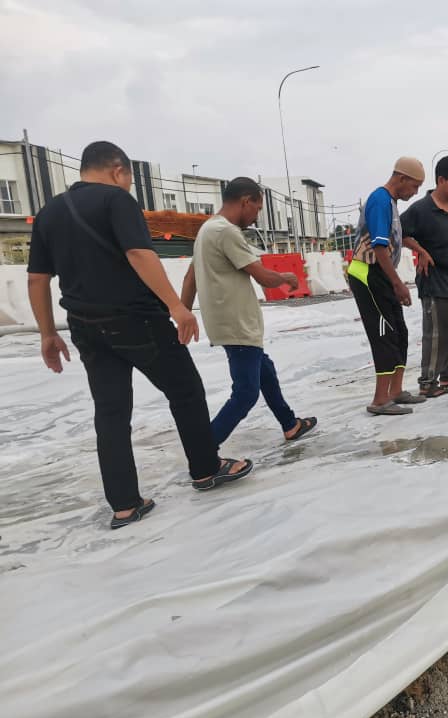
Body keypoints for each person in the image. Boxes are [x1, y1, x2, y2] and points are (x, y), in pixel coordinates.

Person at [25, 141, 253, 530]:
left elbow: (37, 278)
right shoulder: (116, 201)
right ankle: (205, 469)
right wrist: (176, 307)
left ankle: (125, 505)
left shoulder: (49, 213)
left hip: (84, 326)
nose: (128, 186)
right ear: (118, 171)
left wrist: (47, 333)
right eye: (128, 179)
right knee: (185, 390)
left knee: (111, 413)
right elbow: (139, 254)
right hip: (136, 320)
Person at [181, 177, 317, 447]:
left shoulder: (207, 230)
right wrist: (287, 277)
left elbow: (189, 279)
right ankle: (204, 452)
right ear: (246, 201)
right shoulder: (226, 231)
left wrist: (183, 313)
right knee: (245, 393)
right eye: (257, 209)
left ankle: (290, 424)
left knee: (265, 370)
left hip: (227, 323)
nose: (255, 218)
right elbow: (263, 277)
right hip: (237, 325)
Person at [348, 157, 425, 415]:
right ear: (401, 179)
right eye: (414, 187)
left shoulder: (390, 203)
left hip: (381, 274)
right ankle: (380, 400)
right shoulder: (380, 200)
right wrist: (397, 283)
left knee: (399, 332)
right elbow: (379, 247)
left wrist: (417, 248)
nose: (414, 193)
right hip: (368, 274)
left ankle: (396, 391)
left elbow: (394, 239)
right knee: (384, 334)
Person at [401, 155, 448, 398]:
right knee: (437, 333)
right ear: (441, 180)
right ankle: (428, 382)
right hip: (435, 280)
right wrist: (419, 250)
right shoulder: (421, 209)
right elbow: (399, 233)